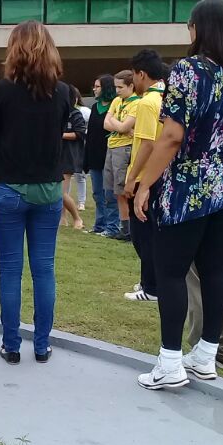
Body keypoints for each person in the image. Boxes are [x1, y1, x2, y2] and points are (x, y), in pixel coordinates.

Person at [132, 0, 223, 391]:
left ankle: (170, 362)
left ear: (196, 29)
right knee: (217, 268)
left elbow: (172, 135)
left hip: (191, 183)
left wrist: (145, 184)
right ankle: (205, 356)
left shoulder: (188, 70)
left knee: (171, 270)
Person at [0, 20, 72, 365]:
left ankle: (11, 345)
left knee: (10, 270)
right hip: (48, 190)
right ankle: (41, 344)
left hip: (9, 186)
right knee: (44, 269)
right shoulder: (63, 92)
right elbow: (59, 133)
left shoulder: (0, 91)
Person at [122, 50, 168, 303]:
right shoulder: (166, 96)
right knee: (150, 233)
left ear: (141, 74)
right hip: (160, 172)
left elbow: (147, 144)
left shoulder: (147, 102)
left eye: (133, 75)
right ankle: (151, 281)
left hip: (145, 175)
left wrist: (132, 178)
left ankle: (151, 286)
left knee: (142, 235)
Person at [104, 71, 138, 241]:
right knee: (114, 190)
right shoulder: (117, 101)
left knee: (124, 190)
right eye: (115, 87)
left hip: (125, 148)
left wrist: (119, 125)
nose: (117, 91)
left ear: (131, 86)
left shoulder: (137, 103)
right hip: (112, 145)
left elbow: (123, 127)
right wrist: (121, 127)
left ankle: (129, 229)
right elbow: (106, 123)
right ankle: (124, 228)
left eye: (120, 87)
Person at [85, 74, 120, 237]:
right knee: (97, 193)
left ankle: (112, 226)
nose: (94, 89)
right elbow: (91, 133)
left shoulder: (115, 106)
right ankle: (99, 224)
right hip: (94, 155)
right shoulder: (94, 107)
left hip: (109, 154)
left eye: (97, 86)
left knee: (110, 194)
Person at [60, 86, 87, 231]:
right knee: (58, 191)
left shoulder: (75, 114)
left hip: (68, 156)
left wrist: (59, 135)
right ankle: (62, 219)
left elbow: (80, 134)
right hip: (56, 155)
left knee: (61, 192)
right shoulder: (58, 112)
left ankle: (77, 218)